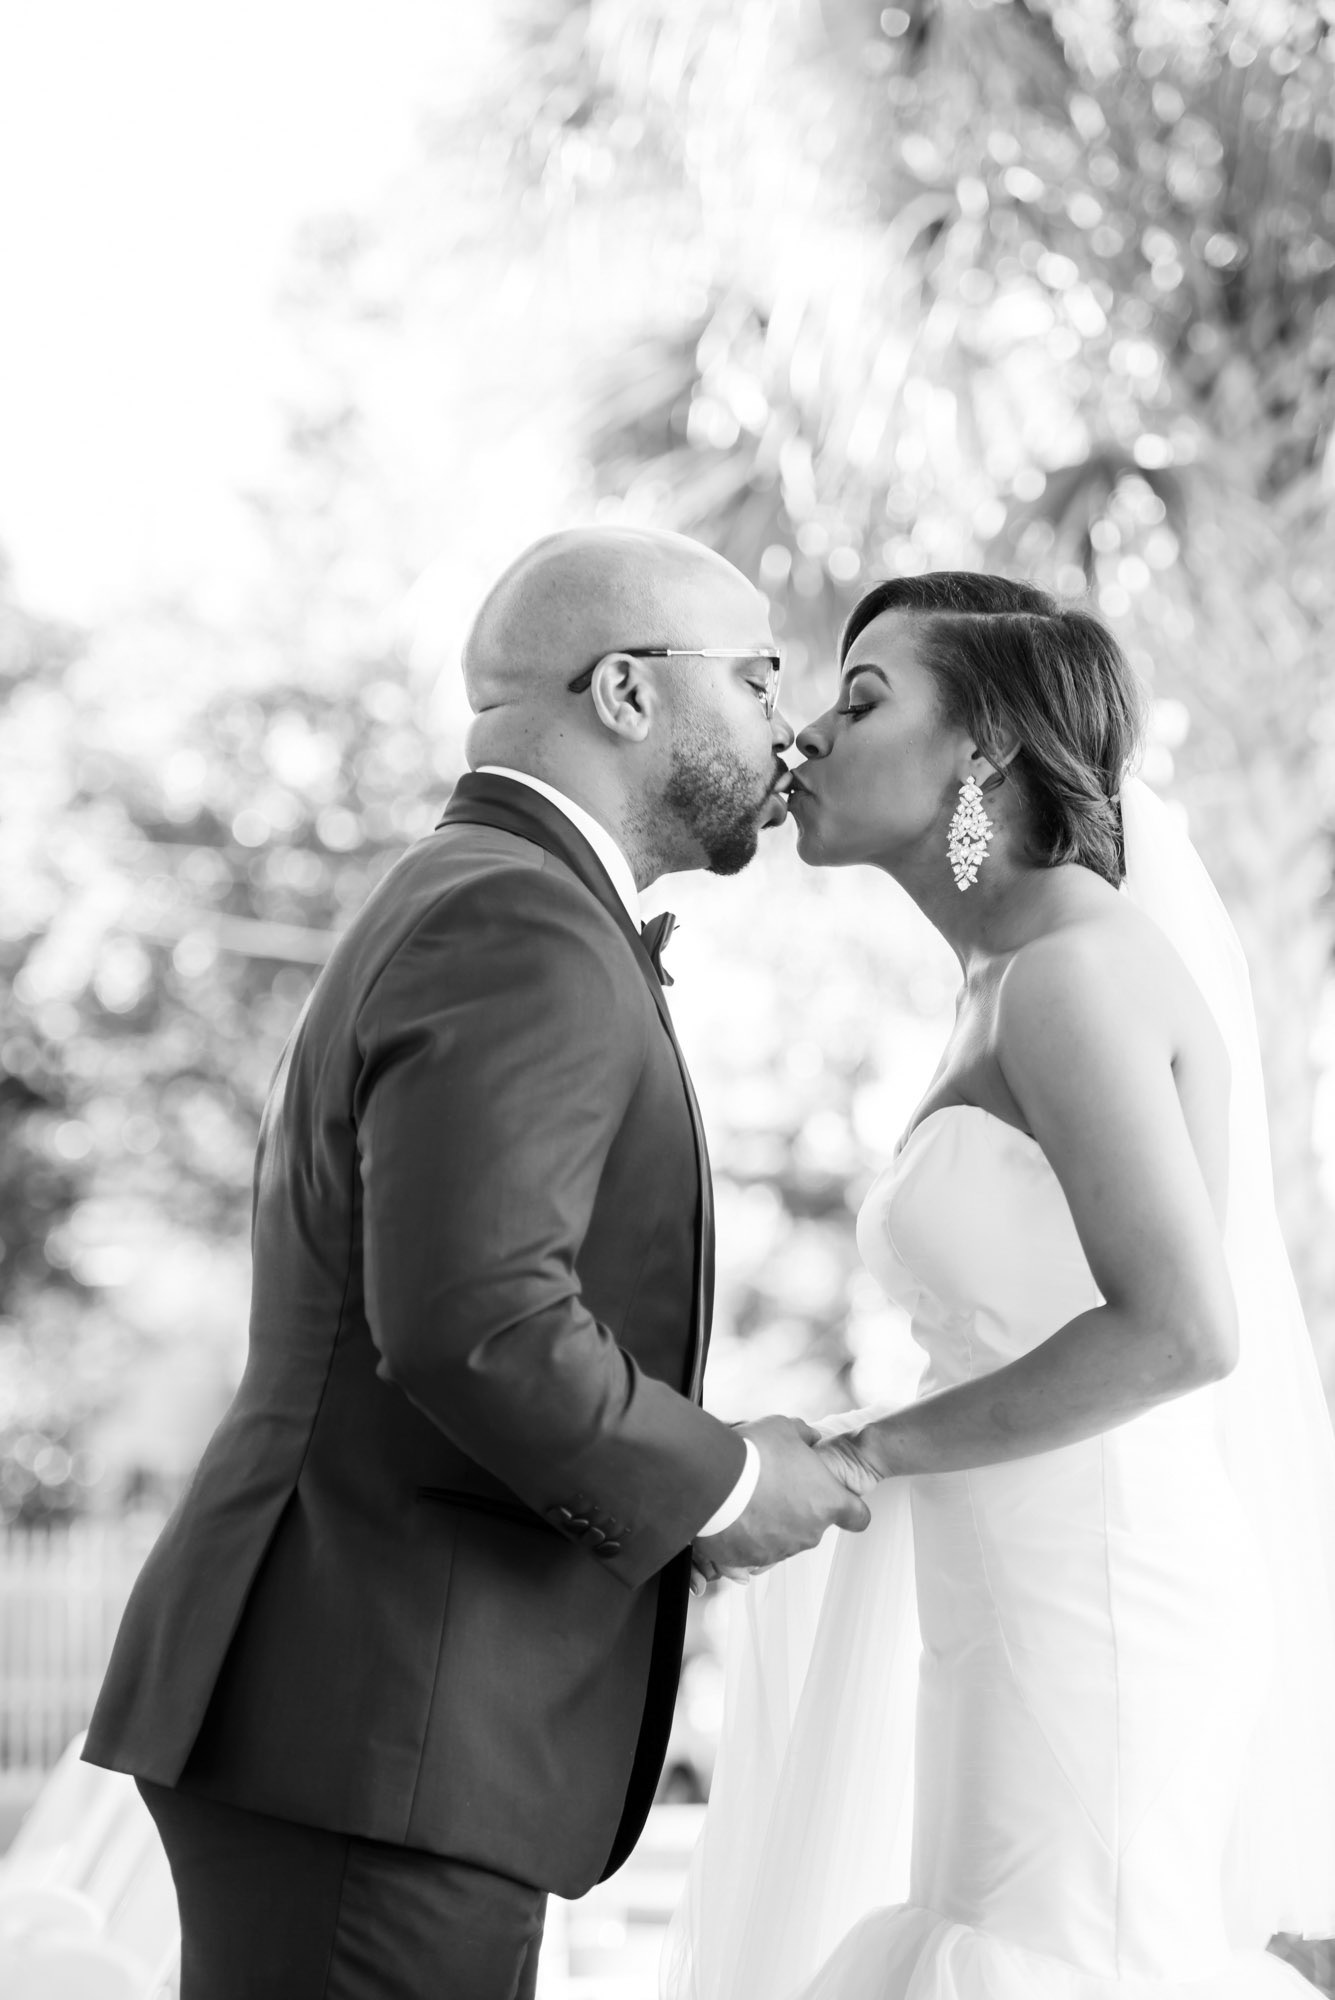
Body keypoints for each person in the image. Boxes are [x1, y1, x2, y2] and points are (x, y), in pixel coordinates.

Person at [82, 525, 869, 2000]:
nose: (790, 723)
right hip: (378, 1717)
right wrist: (731, 1485)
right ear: (627, 692)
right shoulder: (521, 919)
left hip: (370, 1712)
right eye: (760, 677)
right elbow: (476, 1321)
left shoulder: (482, 893)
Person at [670, 572, 1335, 2000]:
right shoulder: (1003, 977)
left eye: (860, 701)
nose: (798, 739)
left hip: (1099, 1591)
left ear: (981, 749)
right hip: (1022, 1579)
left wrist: (863, 1457)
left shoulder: (1066, 978)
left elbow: (1180, 1330)